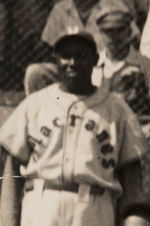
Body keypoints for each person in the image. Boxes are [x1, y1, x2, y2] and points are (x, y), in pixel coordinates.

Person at [0, 26, 150, 226]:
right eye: (65, 56)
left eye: (81, 56)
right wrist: (7, 220)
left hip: (93, 209)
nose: (72, 63)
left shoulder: (117, 110)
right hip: (41, 206)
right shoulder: (34, 105)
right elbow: (12, 173)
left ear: (96, 60)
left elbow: (133, 188)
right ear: (56, 59)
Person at [24, 0, 140, 95]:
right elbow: (49, 48)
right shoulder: (61, 8)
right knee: (35, 72)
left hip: (106, 71)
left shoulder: (114, 5)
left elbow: (133, 42)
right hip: (71, 70)